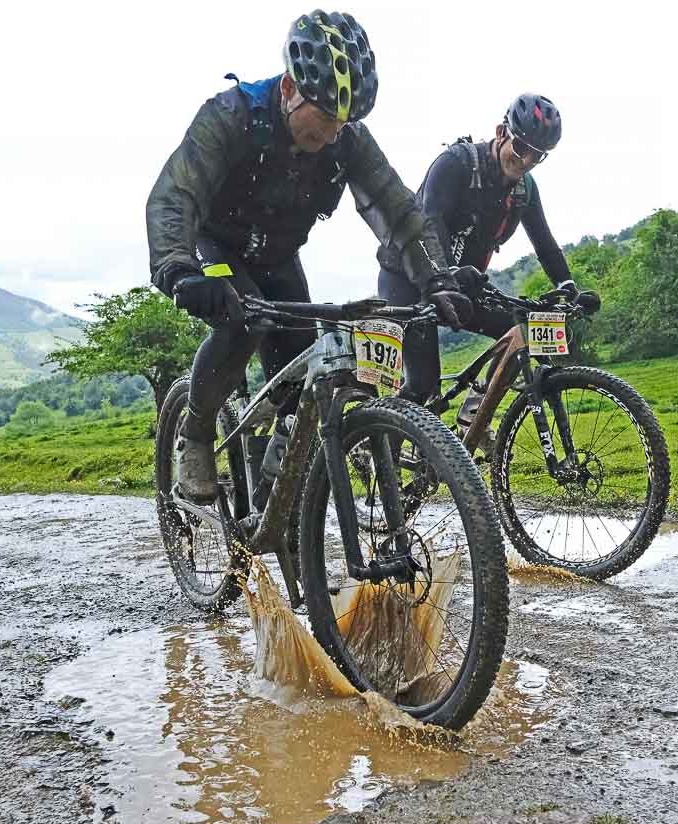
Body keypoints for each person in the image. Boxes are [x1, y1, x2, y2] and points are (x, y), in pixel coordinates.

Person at [146, 10, 471, 503]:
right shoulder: (230, 116)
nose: (332, 135)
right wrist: (177, 269)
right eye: (323, 120)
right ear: (288, 90)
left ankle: (277, 491)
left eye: (343, 124)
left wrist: (437, 278)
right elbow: (176, 195)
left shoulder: (348, 139)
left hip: (279, 258)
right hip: (217, 252)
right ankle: (195, 431)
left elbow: (398, 209)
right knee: (242, 321)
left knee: (301, 370)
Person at [376, 94, 599, 444]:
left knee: (517, 332)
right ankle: (381, 454)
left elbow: (544, 242)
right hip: (407, 276)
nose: (525, 160)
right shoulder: (455, 164)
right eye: (521, 147)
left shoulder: (525, 190)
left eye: (537, 155)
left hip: (465, 283)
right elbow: (430, 223)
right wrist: (445, 274)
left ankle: (473, 419)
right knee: (422, 385)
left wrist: (568, 286)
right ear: (501, 132)